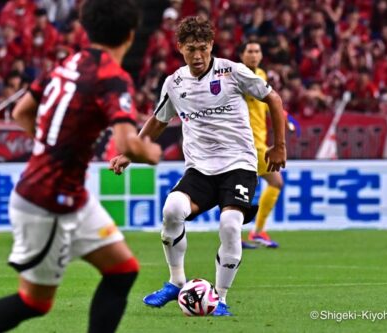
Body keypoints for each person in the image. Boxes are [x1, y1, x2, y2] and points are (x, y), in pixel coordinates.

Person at [0, 1, 161, 333]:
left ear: (87, 28)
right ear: (131, 35)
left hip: (69, 195)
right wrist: (149, 152)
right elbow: (126, 143)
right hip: (48, 201)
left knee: (123, 270)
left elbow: (22, 111)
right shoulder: (113, 77)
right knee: (34, 302)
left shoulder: (69, 63)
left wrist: (52, 145)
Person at [110, 16, 286, 316]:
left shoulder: (233, 71)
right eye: (191, 48)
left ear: (211, 46)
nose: (198, 55)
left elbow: (273, 98)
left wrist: (279, 145)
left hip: (239, 165)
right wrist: (131, 151)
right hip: (200, 170)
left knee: (230, 226)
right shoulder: (175, 83)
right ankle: (176, 281)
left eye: (203, 48)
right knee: (171, 209)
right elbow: (158, 120)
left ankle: (220, 298)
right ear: (180, 48)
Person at [238, 42, 283, 249]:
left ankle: (246, 233)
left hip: (259, 142)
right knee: (274, 182)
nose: (254, 55)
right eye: (250, 52)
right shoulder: (238, 76)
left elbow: (266, 104)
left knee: (242, 189)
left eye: (257, 51)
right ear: (242, 55)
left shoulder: (262, 75)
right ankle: (255, 231)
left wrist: (285, 116)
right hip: (247, 143)